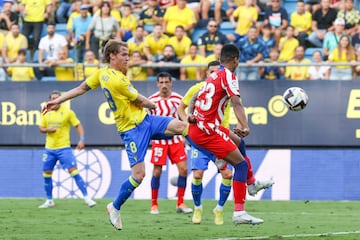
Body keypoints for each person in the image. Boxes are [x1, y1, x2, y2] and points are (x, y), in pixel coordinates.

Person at [42, 39, 188, 230]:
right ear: (112, 56)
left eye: (128, 55)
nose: (128, 58)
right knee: (139, 175)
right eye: (124, 55)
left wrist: (58, 100)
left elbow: (80, 88)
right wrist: (153, 105)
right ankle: (115, 206)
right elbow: (141, 101)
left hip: (146, 121)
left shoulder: (102, 74)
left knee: (182, 127)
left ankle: (216, 155)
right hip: (131, 131)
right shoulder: (117, 79)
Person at [178, 60, 274, 225]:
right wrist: (189, 116)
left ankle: (247, 186)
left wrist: (239, 125)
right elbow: (187, 103)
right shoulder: (209, 83)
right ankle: (203, 208)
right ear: (207, 73)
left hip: (216, 130)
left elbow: (232, 105)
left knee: (239, 144)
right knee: (200, 174)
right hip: (206, 134)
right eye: (212, 71)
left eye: (217, 70)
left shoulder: (216, 85)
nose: (215, 73)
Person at [38, 90, 96, 209]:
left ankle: (87, 198)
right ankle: (49, 200)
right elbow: (41, 128)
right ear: (49, 100)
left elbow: (78, 125)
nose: (54, 100)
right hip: (49, 149)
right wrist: (48, 129)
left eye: (57, 98)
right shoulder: (45, 112)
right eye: (52, 98)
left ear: (61, 100)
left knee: (74, 171)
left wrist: (81, 139)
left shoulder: (68, 112)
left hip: (64, 148)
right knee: (46, 174)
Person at [148, 72, 192, 215]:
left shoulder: (178, 99)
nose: (164, 85)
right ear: (157, 84)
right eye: (161, 82)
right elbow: (147, 120)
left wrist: (186, 133)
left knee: (184, 169)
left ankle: (180, 202)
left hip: (176, 139)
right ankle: (154, 204)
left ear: (171, 83)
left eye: (167, 82)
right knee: (157, 171)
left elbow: (183, 116)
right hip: (159, 140)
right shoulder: (151, 100)